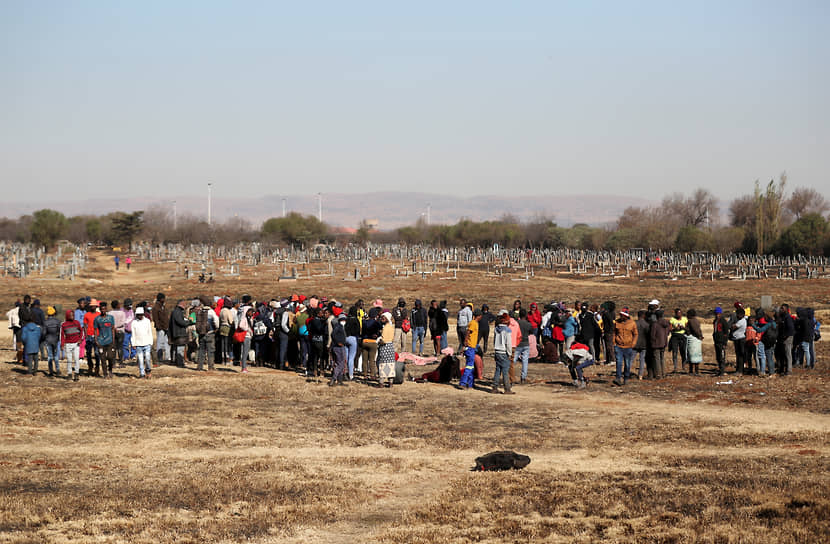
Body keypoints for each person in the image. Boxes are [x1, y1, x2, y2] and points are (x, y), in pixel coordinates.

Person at [491, 310, 514, 395]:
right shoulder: (507, 330)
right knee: (505, 371)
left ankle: (494, 387)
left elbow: (494, 341)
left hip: (497, 351)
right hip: (504, 352)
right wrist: (510, 353)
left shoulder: (496, 329)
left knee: (497, 370)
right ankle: (507, 389)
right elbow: (508, 343)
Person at [612, 307, 637, 386]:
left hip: (628, 347)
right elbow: (614, 333)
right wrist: (614, 342)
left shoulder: (632, 323)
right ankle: (618, 378)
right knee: (619, 362)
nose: (621, 317)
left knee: (627, 363)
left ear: (626, 316)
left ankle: (626, 378)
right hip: (618, 346)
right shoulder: (617, 322)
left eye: (622, 315)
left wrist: (633, 343)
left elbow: (635, 334)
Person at [458, 309, 481, 389]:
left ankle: (470, 384)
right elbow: (468, 332)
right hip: (470, 347)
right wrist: (465, 343)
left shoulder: (475, 323)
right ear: (479, 316)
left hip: (472, 347)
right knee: (469, 366)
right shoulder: (473, 323)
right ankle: (462, 382)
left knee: (471, 367)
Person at [195, 297, 219, 371]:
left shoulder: (199, 311)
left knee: (201, 350)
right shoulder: (211, 312)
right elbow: (216, 322)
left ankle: (200, 366)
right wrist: (216, 328)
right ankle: (210, 366)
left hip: (201, 333)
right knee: (210, 351)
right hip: (210, 333)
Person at [94, 301, 117, 378]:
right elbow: (95, 330)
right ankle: (105, 374)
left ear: (106, 309)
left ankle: (110, 370)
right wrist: (96, 340)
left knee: (110, 357)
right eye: (102, 309)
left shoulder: (110, 318)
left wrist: (113, 339)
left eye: (104, 309)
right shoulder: (97, 319)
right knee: (103, 359)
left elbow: (113, 329)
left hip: (110, 340)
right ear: (100, 310)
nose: (103, 311)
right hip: (101, 341)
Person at [60, 309, 83, 381]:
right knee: (69, 360)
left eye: (73, 315)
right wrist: (62, 344)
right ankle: (69, 374)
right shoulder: (64, 325)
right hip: (68, 344)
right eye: (70, 315)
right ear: (67, 316)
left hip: (76, 344)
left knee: (76, 359)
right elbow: (62, 335)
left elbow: (81, 332)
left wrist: (80, 339)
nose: (72, 316)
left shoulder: (77, 323)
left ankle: (76, 373)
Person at [131, 307, 154, 378]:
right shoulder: (134, 322)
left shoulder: (147, 321)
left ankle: (148, 370)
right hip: (138, 344)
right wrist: (133, 343)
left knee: (147, 358)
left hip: (147, 343)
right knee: (140, 360)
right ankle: (142, 374)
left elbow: (150, 332)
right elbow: (133, 334)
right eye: (138, 315)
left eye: (141, 314)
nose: (140, 316)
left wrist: (151, 342)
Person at [169, 299, 192, 369]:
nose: (185, 306)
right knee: (180, 349)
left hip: (177, 333)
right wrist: (189, 322)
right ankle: (180, 363)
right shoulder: (177, 312)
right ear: (181, 304)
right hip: (179, 333)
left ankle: (177, 362)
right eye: (184, 304)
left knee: (178, 349)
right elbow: (180, 322)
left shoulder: (176, 311)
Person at [648, 309, 670, 379]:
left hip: (656, 344)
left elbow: (652, 335)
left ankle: (658, 374)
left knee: (657, 359)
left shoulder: (655, 324)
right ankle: (663, 373)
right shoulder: (666, 323)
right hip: (664, 342)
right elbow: (667, 333)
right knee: (662, 358)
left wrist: (652, 342)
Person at [360, 309, 381, 381]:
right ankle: (372, 374)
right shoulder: (376, 323)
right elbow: (380, 331)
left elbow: (362, 332)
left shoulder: (364, 322)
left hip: (365, 341)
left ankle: (365, 374)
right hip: (372, 341)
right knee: (372, 360)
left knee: (364, 359)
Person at [377, 312, 396, 387]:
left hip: (385, 347)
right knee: (390, 365)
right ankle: (391, 382)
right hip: (390, 346)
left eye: (383, 318)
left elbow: (383, 340)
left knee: (383, 364)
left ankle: (381, 383)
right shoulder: (391, 327)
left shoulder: (385, 328)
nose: (382, 319)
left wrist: (379, 340)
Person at [329, 314, 348, 386]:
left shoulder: (341, 327)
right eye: (342, 320)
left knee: (342, 363)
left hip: (339, 346)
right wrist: (338, 342)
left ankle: (339, 380)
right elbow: (333, 334)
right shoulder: (338, 327)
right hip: (338, 347)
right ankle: (334, 379)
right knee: (340, 364)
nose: (344, 321)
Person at [151, 293, 171, 364]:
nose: (164, 299)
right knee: (160, 343)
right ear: (160, 299)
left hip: (166, 328)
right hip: (161, 329)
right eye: (163, 298)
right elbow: (156, 319)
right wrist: (160, 327)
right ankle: (159, 358)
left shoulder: (163, 307)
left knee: (167, 343)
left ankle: (167, 358)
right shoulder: (156, 308)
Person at [776, 304, 795, 375]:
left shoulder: (788, 317)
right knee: (782, 354)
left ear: (786, 309)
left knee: (788, 353)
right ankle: (782, 369)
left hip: (787, 338)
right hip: (782, 337)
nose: (781, 309)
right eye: (781, 308)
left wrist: (785, 335)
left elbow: (791, 328)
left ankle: (789, 370)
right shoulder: (782, 317)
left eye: (782, 308)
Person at [83, 300, 101, 376]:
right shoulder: (86, 315)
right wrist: (86, 334)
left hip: (98, 335)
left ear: (96, 306)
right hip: (89, 336)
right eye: (91, 306)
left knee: (97, 353)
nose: (92, 307)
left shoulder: (99, 314)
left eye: (94, 306)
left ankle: (97, 366)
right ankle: (90, 366)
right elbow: (85, 325)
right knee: (89, 353)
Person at [514, 309, 532, 384]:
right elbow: (531, 332)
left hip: (518, 343)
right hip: (526, 343)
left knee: (513, 360)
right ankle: (523, 377)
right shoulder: (528, 324)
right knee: (525, 361)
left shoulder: (517, 323)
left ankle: (509, 374)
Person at [43, 306, 62, 377]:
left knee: (50, 356)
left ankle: (51, 371)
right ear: (54, 313)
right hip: (56, 340)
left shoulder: (45, 322)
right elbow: (60, 331)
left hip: (48, 340)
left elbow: (44, 332)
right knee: (56, 356)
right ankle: (57, 370)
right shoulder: (58, 321)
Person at [669, 308, 688, 373]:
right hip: (675, 336)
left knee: (683, 351)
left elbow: (688, 328)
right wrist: (675, 329)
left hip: (683, 336)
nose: (679, 315)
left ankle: (684, 366)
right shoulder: (672, 319)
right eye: (677, 313)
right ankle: (675, 367)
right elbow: (670, 329)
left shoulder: (685, 319)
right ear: (675, 314)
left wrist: (683, 328)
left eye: (680, 313)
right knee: (674, 352)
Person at [685, 309, 704, 376]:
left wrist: (699, 336)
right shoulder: (696, 320)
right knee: (695, 355)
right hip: (696, 339)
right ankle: (695, 370)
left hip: (694, 339)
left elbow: (695, 330)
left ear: (690, 315)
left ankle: (693, 371)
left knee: (692, 355)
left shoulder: (692, 321)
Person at [344, 306, 360, 379]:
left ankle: (345, 372)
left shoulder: (347, 319)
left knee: (346, 357)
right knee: (351, 358)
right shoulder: (356, 320)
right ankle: (351, 374)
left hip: (346, 338)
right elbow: (358, 330)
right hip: (353, 338)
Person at [109, 300, 126, 367]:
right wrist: (116, 327)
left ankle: (113, 363)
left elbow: (109, 322)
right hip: (120, 331)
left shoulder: (110, 313)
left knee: (113, 347)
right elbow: (123, 322)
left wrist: (114, 327)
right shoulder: (122, 313)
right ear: (117, 305)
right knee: (120, 347)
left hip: (112, 331)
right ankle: (121, 362)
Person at [730, 307, 747, 374]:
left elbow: (733, 327)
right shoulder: (741, 320)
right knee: (738, 355)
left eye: (737, 314)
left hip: (740, 339)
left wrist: (732, 323)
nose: (736, 316)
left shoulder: (742, 321)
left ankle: (740, 370)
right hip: (737, 339)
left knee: (740, 355)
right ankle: (739, 369)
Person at [712, 307, 729, 376]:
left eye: (718, 313)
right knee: (718, 356)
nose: (717, 315)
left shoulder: (723, 321)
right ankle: (719, 369)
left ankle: (722, 370)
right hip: (716, 340)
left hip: (722, 341)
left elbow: (726, 332)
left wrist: (725, 342)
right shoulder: (715, 321)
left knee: (722, 356)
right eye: (716, 313)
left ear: (721, 313)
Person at [634, 310, 649, 379]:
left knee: (631, 359)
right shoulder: (646, 324)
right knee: (642, 360)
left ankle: (626, 372)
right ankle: (640, 375)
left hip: (635, 343)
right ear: (643, 316)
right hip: (644, 344)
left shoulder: (634, 323)